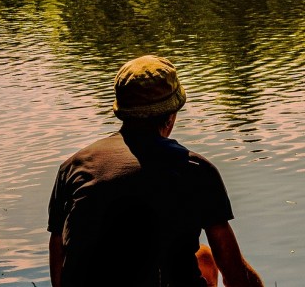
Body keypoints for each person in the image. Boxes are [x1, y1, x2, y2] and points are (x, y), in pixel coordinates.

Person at [48, 55, 264, 287]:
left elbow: (58, 248)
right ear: (171, 115)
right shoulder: (195, 170)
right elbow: (235, 276)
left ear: (122, 111)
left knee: (204, 259)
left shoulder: (73, 167)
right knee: (210, 257)